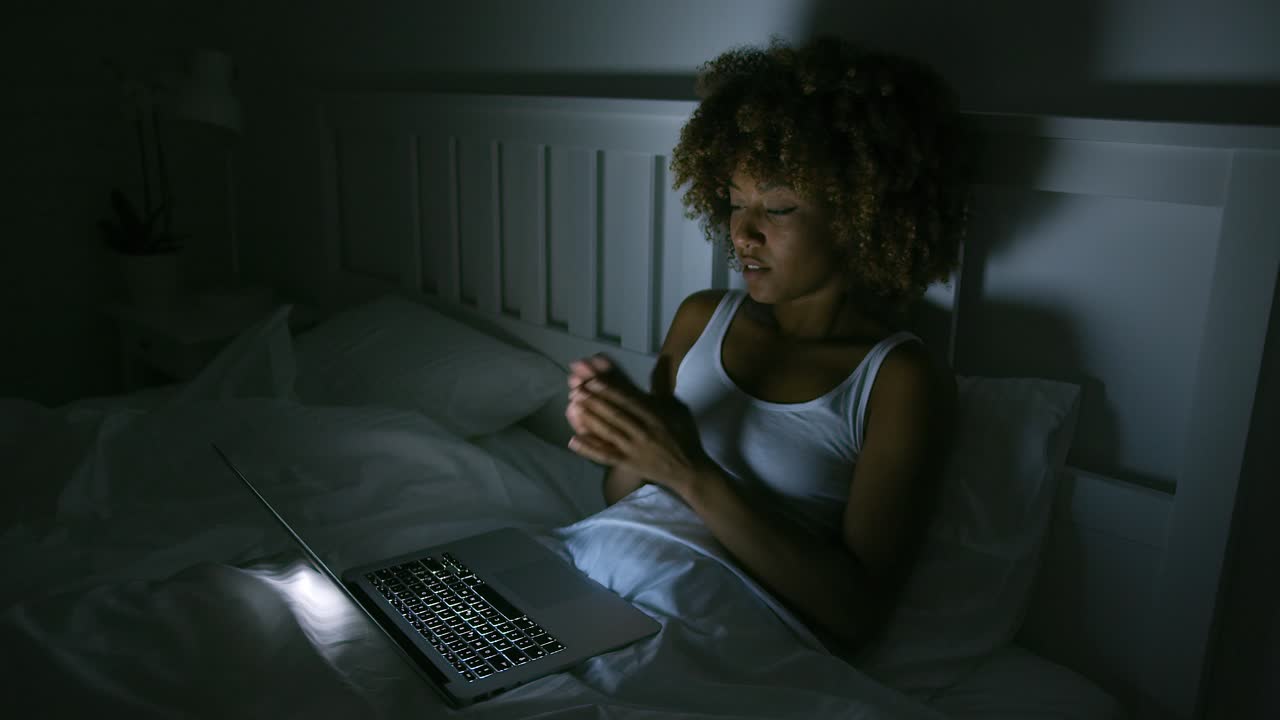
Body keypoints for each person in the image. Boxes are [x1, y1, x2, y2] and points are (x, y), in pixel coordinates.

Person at [563, 36, 970, 653]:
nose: (742, 233)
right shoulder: (702, 318)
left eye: (778, 208)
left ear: (863, 217)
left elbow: (857, 617)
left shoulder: (897, 379)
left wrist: (691, 471)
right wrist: (630, 435)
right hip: (583, 577)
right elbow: (622, 497)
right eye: (733, 202)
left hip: (707, 632)